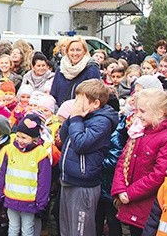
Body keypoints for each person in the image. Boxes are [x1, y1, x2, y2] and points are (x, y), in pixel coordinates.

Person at [111, 88, 167, 236]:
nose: (137, 114)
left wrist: (130, 193)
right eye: (137, 110)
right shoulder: (140, 130)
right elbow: (123, 161)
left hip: (149, 206)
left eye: (142, 111)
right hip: (132, 201)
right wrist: (120, 189)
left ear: (159, 113)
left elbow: (160, 174)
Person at [58, 79, 119, 236]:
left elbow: (81, 144)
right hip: (69, 179)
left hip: (83, 184)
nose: (76, 103)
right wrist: (72, 118)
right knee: (66, 228)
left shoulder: (102, 122)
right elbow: (65, 137)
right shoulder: (82, 116)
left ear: (95, 104)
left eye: (80, 99)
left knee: (81, 230)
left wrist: (77, 119)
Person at [0, 112, 52, 236]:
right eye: (18, 136)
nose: (20, 140)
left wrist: (41, 201)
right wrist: (0, 192)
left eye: (24, 138)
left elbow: (44, 181)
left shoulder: (40, 153)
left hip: (29, 200)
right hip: (11, 197)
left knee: (27, 229)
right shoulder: (10, 150)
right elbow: (3, 173)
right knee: (13, 227)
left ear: (33, 138)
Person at [50, 35, 101, 105]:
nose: (75, 53)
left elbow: (94, 96)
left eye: (78, 50)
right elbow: (53, 94)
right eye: (72, 50)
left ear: (84, 51)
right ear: (67, 51)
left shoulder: (91, 69)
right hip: (60, 113)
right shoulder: (61, 69)